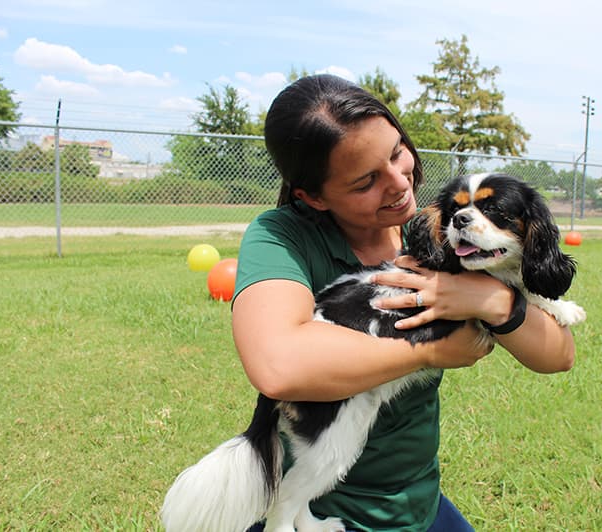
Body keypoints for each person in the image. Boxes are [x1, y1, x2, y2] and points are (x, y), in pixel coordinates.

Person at [233, 74, 575, 531]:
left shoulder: (435, 233)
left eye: (397, 153)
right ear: (312, 195)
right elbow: (278, 367)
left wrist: (494, 301)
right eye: (365, 181)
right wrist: (431, 350)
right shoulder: (281, 236)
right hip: (318, 501)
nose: (399, 183)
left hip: (415, 501)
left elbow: (558, 355)